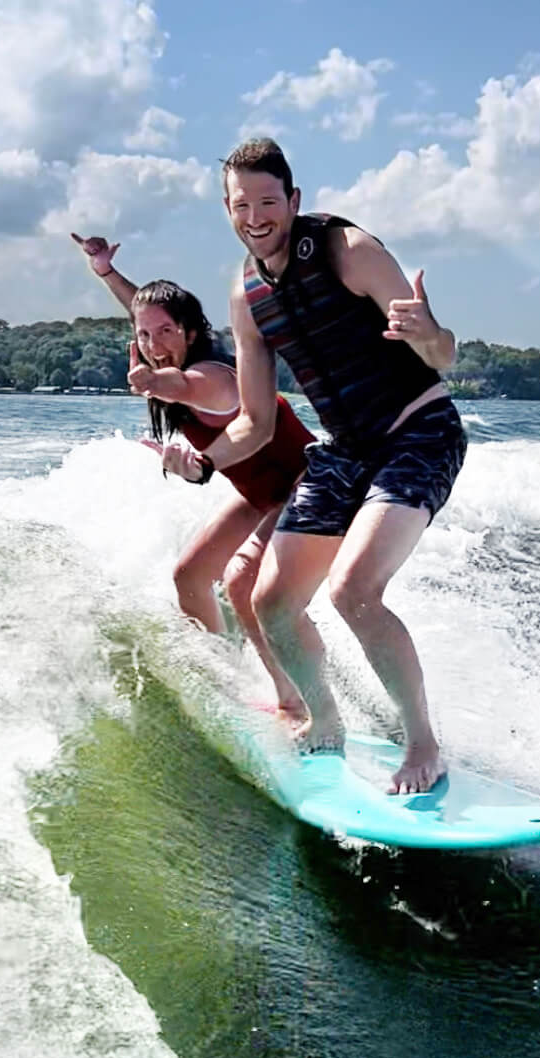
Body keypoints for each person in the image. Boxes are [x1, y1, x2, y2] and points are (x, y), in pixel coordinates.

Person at [188, 138, 466, 794]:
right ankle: (326, 721)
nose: (255, 216)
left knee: (352, 590)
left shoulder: (349, 250)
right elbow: (254, 423)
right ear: (226, 210)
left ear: (294, 201)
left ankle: (423, 742)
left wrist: (427, 331)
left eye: (267, 201)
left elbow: (443, 355)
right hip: (344, 451)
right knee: (269, 601)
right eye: (240, 205)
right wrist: (202, 461)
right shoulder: (247, 294)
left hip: (417, 434)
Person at [70, 232, 315, 726]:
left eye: (165, 333)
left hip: (308, 482)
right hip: (261, 492)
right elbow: (145, 312)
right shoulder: (163, 343)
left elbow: (181, 385)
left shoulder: (215, 377)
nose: (153, 345)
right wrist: (105, 272)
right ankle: (228, 680)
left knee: (243, 581)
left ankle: (295, 699)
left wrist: (152, 382)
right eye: (143, 336)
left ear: (189, 332)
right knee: (190, 576)